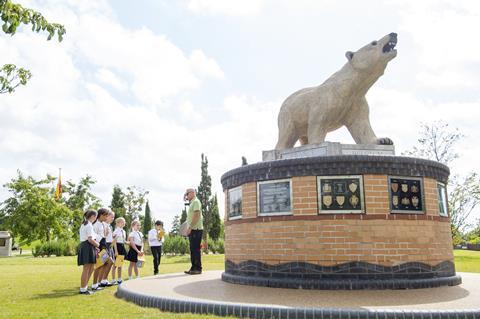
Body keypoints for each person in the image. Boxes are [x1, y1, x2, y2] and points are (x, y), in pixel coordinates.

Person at [78, 210, 100, 295]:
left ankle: (85, 287)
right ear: (92, 216)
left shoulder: (85, 224)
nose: (96, 218)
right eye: (96, 216)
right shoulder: (89, 225)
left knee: (90, 268)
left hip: (88, 246)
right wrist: (97, 245)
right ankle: (83, 289)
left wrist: (94, 247)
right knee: (87, 269)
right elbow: (90, 239)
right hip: (87, 246)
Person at [184, 188, 203, 275]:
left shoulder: (196, 202)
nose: (186, 196)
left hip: (196, 229)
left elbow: (197, 215)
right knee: (192, 249)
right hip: (193, 229)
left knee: (195, 249)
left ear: (192, 193)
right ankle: (193, 268)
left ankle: (198, 269)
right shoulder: (192, 202)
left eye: (187, 194)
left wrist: (190, 227)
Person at [92, 208, 112, 290]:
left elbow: (104, 235)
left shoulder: (103, 224)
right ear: (101, 215)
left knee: (109, 262)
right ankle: (95, 284)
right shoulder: (95, 225)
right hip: (100, 246)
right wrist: (96, 248)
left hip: (104, 244)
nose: (107, 217)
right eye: (106, 215)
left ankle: (102, 281)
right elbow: (94, 237)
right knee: (100, 265)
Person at [111, 217, 127, 284]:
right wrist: (116, 251)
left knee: (120, 264)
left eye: (124, 222)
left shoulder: (123, 231)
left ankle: (119, 279)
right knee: (115, 265)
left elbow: (123, 241)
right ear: (117, 223)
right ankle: (113, 279)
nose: (124, 223)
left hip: (122, 246)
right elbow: (114, 241)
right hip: (117, 247)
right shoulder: (116, 231)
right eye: (122, 222)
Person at [102, 210, 115, 285]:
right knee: (107, 263)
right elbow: (104, 235)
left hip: (110, 246)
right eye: (111, 216)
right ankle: (102, 280)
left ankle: (104, 280)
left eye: (113, 217)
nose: (113, 218)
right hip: (105, 245)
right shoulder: (103, 224)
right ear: (107, 216)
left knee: (107, 263)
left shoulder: (110, 226)